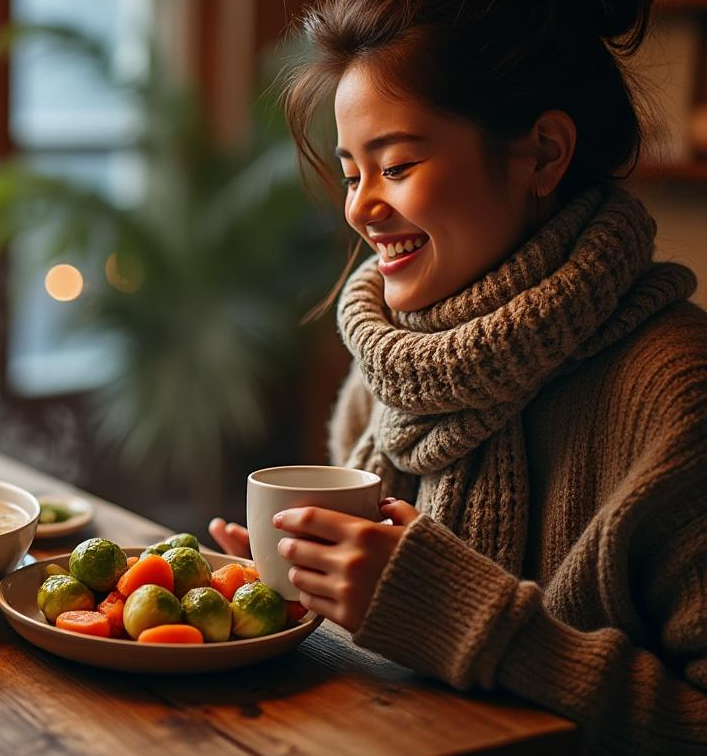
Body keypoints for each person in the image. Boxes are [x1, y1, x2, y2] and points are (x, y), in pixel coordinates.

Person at [206, 1, 707, 752]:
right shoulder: (387, 368)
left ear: (543, 153)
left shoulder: (676, 393)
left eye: (397, 165)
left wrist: (467, 619)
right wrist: (305, 590)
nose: (362, 208)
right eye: (351, 173)